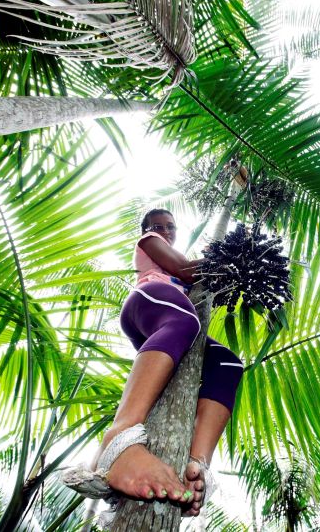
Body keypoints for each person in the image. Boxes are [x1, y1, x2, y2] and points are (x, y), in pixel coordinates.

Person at [90, 208, 243, 516]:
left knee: (228, 364)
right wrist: (232, 260)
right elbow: (185, 269)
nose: (164, 230)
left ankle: (197, 464)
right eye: (158, 225)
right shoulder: (149, 241)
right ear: (148, 229)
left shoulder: (177, 260)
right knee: (185, 321)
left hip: (172, 326)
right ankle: (119, 435)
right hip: (149, 302)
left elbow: (195, 277)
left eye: (170, 227)